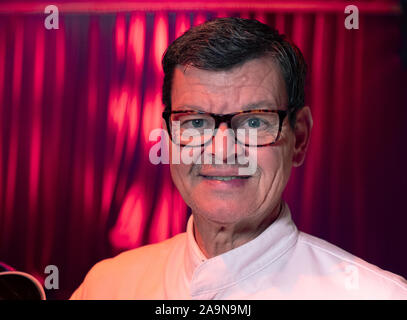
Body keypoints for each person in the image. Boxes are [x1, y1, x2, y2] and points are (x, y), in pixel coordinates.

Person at [70, 17, 407, 299]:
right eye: (196, 122)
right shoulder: (106, 286)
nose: (222, 149)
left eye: (255, 121)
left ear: (299, 137)